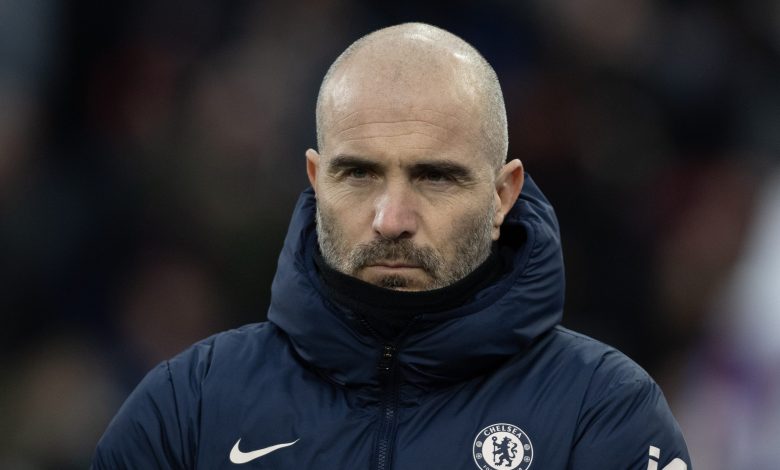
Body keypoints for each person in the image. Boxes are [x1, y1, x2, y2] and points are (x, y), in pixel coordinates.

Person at [93, 23, 690, 469]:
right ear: (316, 181)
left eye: (435, 177)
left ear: (502, 196)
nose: (391, 219)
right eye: (359, 174)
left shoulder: (601, 411)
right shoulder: (190, 407)